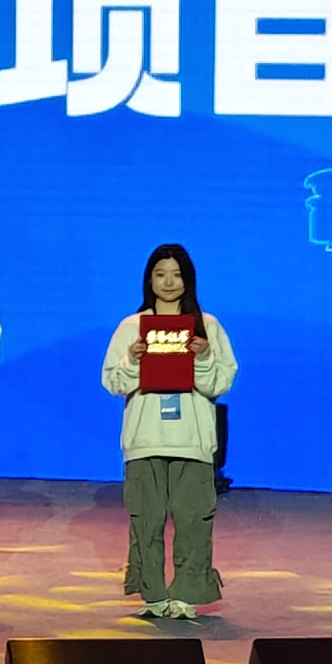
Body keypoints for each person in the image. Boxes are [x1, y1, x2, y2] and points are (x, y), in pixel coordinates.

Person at [97, 240, 237, 622]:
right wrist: (132, 360)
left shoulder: (207, 326)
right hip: (146, 440)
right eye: (160, 274)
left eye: (176, 275)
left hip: (192, 441)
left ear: (188, 279)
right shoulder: (131, 327)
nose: (169, 282)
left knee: (193, 521)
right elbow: (112, 382)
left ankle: (186, 595)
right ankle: (154, 595)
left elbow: (222, 383)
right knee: (147, 520)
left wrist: (203, 357)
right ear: (149, 280)